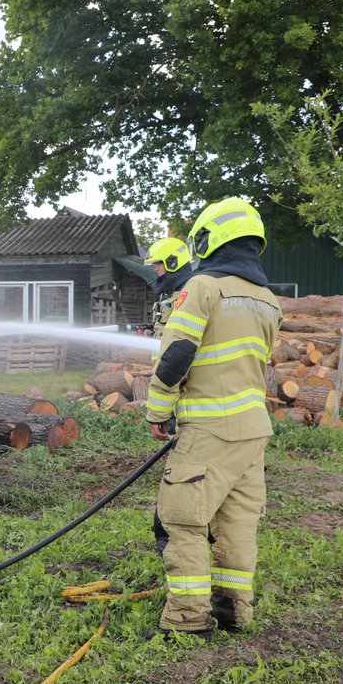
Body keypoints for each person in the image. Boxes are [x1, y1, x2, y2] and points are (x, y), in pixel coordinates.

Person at [145, 197, 282, 641]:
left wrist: (158, 410)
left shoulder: (203, 287)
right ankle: (233, 611)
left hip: (209, 430)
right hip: (253, 432)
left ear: (211, 238)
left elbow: (177, 354)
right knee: (236, 524)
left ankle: (186, 621)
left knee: (180, 520)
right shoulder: (267, 300)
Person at [144, 236, 194, 555]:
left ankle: (171, 533)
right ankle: (171, 530)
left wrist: (162, 409)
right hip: (170, 391)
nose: (156, 272)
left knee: (185, 464)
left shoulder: (190, 295)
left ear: (174, 263)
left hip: (184, 393)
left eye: (160, 265)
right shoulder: (166, 296)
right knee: (180, 462)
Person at [144, 236, 193, 338]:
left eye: (158, 264)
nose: (156, 269)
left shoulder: (190, 291)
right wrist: (152, 330)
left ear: (173, 262)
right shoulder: (167, 293)